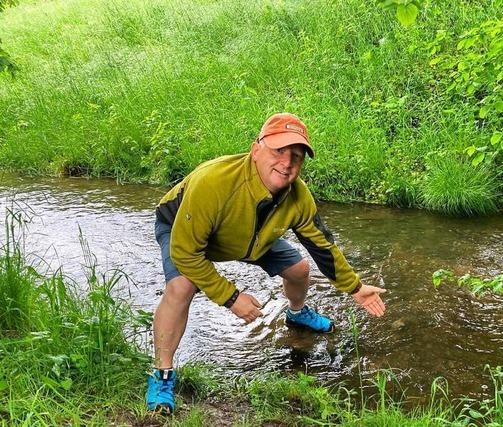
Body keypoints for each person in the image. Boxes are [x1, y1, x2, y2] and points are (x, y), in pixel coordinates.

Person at [146, 112, 387, 413]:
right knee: (183, 285)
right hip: (183, 229)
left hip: (252, 236)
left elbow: (321, 245)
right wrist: (231, 297)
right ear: (255, 149)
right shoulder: (214, 182)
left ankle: (297, 314)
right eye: (279, 151)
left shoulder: (299, 198)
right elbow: (185, 253)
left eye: (296, 157)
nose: (287, 163)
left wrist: (355, 287)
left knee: (299, 269)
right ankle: (162, 375)